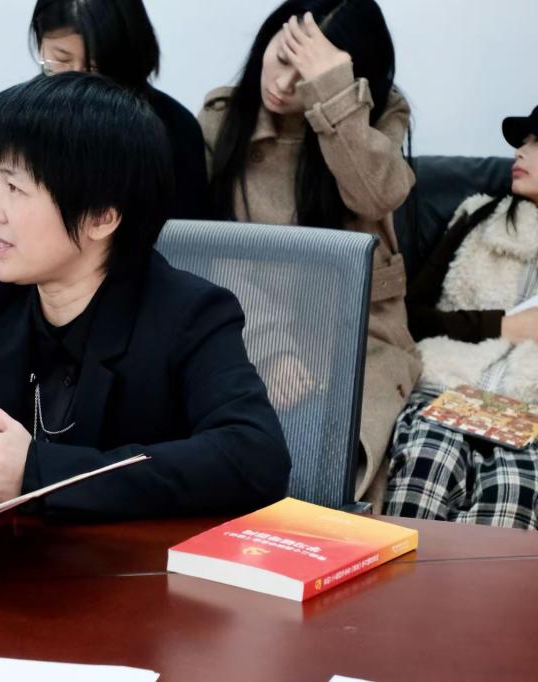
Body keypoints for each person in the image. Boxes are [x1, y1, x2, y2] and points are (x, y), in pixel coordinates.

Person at [0, 73, 290, 519]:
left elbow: (254, 456)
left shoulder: (188, 314)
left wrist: (37, 473)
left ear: (101, 217)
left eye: (15, 187)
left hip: (125, 573)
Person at [198, 0, 420, 509]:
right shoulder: (222, 121)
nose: (281, 85)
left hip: (357, 334)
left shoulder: (377, 113)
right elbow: (215, 254)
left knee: (333, 454)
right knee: (251, 440)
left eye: (306, 75)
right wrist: (271, 346)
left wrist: (333, 94)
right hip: (251, 322)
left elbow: (378, 195)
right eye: (280, 58)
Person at [0, 0, 207, 264]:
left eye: (96, 68)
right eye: (61, 60)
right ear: (40, 41)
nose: (76, 80)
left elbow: (190, 249)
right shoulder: (7, 117)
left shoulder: (174, 128)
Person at [385, 107, 538, 528]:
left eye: (536, 144)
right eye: (522, 142)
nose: (519, 152)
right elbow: (410, 316)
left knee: (514, 493)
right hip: (447, 389)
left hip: (529, 413)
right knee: (426, 467)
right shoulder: (478, 217)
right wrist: (500, 327)